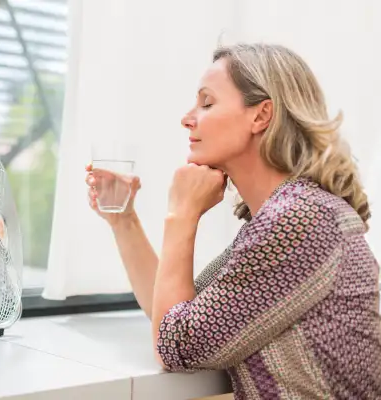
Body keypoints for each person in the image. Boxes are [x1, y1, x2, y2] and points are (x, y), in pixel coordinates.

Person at [85, 43, 381, 399]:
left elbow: (176, 344)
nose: (187, 118)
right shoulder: (284, 216)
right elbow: (177, 314)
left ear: (261, 116)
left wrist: (182, 215)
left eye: (207, 103)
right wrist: (125, 220)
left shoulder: (299, 220)